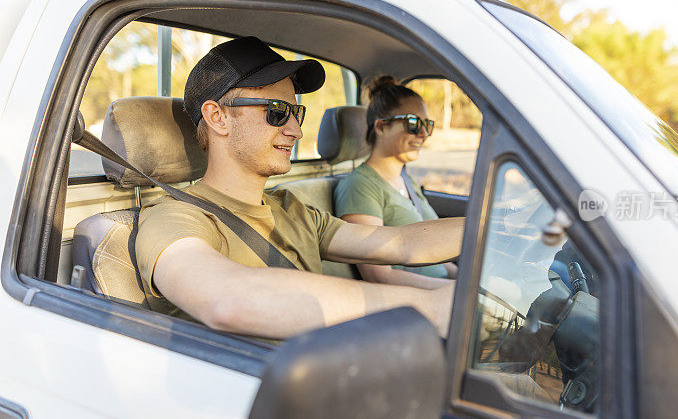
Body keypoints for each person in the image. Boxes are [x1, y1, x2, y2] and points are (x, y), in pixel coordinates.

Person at [134, 37, 462, 339]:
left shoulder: (291, 208)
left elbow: (402, 243)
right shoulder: (173, 218)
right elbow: (227, 298)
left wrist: (492, 230)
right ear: (218, 118)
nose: (296, 131)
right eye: (277, 113)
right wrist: (427, 307)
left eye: (296, 113)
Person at [334, 76, 457, 289]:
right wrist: (453, 293)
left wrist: (471, 282)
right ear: (381, 127)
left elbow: (437, 251)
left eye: (427, 124)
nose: (424, 133)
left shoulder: (406, 182)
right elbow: (379, 276)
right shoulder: (360, 187)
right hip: (418, 300)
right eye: (413, 123)